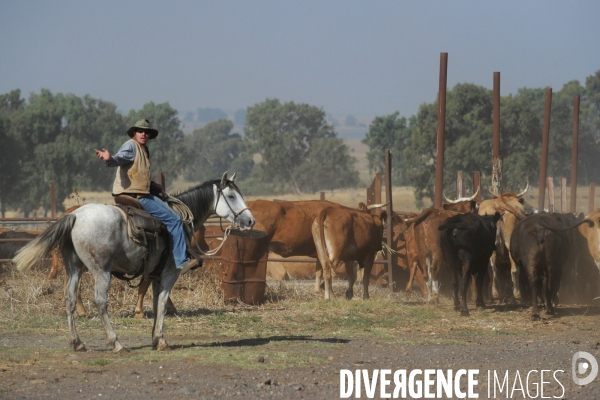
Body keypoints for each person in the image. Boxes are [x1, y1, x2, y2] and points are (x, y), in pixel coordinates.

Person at [94, 118, 197, 273]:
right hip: (136, 196)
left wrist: (153, 185)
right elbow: (120, 158)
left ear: (149, 135)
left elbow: (138, 173)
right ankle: (181, 261)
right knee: (175, 219)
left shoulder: (144, 150)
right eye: (140, 131)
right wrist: (110, 159)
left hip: (138, 192)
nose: (143, 134)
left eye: (146, 132)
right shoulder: (131, 146)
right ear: (134, 133)